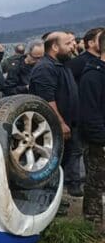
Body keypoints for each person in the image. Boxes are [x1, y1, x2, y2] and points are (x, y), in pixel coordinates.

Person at [29, 31, 82, 196]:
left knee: (62, 164)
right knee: (49, 166)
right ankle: (45, 200)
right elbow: (47, 99)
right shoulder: (45, 68)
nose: (71, 47)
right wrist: (60, 123)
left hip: (68, 125)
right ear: (54, 46)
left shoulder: (61, 65)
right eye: (67, 44)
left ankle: (57, 198)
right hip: (51, 128)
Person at [80, 31, 105, 229]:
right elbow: (91, 113)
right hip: (98, 141)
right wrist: (101, 140)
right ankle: (93, 225)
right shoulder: (93, 76)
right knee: (96, 183)